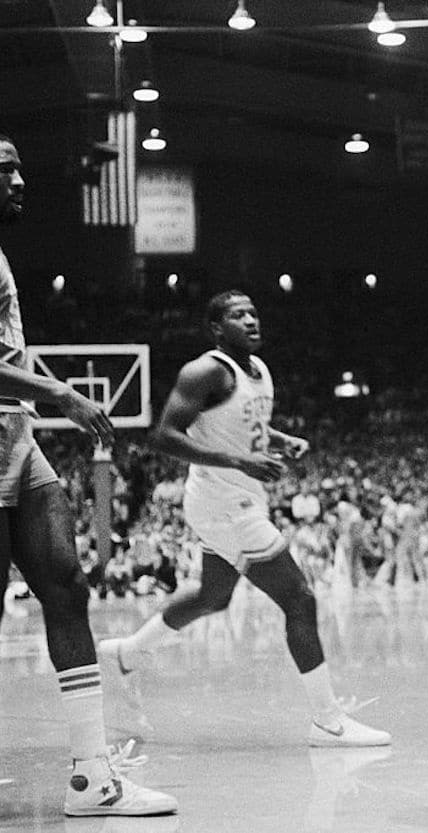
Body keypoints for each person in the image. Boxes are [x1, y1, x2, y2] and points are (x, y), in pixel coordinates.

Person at [98, 291, 390, 748]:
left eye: (254, 312)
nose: (251, 320)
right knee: (300, 598)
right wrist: (239, 462)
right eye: (238, 316)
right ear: (216, 328)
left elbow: (240, 427)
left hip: (239, 497)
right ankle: (328, 720)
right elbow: (164, 436)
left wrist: (279, 439)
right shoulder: (205, 370)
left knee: (214, 597)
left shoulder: (259, 370)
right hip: (221, 500)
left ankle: (126, 655)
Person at [0, 134, 176, 816]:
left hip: (18, 437)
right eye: (6, 170)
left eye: (20, 167)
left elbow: (10, 352)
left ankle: (91, 775)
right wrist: (63, 395)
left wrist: (52, 395)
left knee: (67, 585)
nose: (20, 180)